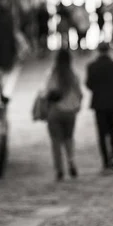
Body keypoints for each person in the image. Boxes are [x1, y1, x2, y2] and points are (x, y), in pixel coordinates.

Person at [85, 42, 113, 173]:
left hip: (99, 103)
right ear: (108, 50)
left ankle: (105, 160)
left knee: (101, 132)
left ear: (98, 51)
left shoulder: (92, 66)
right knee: (112, 129)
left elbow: (89, 84)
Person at [44, 48, 83, 181]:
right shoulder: (73, 76)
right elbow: (79, 94)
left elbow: (48, 92)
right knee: (69, 138)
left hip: (55, 111)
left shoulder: (52, 75)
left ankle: (59, 169)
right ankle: (71, 161)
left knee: (56, 142)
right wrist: (77, 106)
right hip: (70, 112)